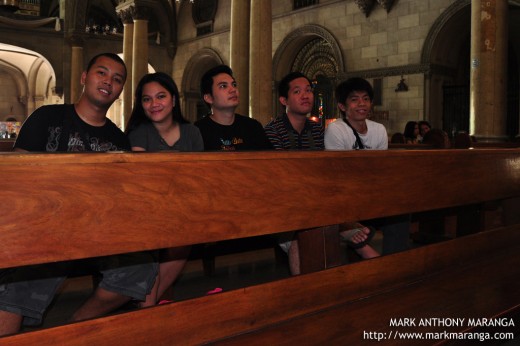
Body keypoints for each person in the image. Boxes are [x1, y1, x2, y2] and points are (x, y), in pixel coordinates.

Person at [0, 53, 157, 336]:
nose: (109, 81)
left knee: (141, 267)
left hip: (95, 230)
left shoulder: (118, 140)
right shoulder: (47, 117)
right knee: (16, 287)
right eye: (102, 73)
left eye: (117, 79)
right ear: (85, 77)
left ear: (120, 90)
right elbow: (16, 177)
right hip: (42, 226)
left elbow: (116, 199)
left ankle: (74, 329)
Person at [265, 72, 379, 275]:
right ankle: (347, 228)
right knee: (300, 237)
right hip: (284, 204)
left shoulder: (317, 130)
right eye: (297, 91)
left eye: (309, 90)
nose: (305, 95)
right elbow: (280, 176)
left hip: (316, 201)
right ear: (284, 100)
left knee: (319, 219)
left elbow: (325, 172)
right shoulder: (273, 130)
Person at [125, 72, 203, 306]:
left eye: (160, 96)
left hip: (183, 208)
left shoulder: (192, 132)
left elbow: (198, 177)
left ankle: (147, 303)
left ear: (174, 99)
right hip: (148, 210)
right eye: (147, 99)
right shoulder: (140, 132)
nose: (154, 104)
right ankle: (147, 305)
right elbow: (144, 179)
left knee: (186, 234)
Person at [325, 77, 409, 255]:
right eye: (354, 99)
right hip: (347, 194)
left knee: (400, 210)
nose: (361, 104)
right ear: (342, 106)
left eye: (365, 99)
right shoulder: (336, 130)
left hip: (372, 192)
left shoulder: (378, 130)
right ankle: (355, 234)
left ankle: (394, 262)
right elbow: (340, 174)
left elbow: (381, 170)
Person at [195, 65, 272, 151]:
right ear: (209, 98)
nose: (233, 90)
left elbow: (269, 160)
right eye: (223, 86)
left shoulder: (253, 127)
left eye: (234, 84)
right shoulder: (196, 132)